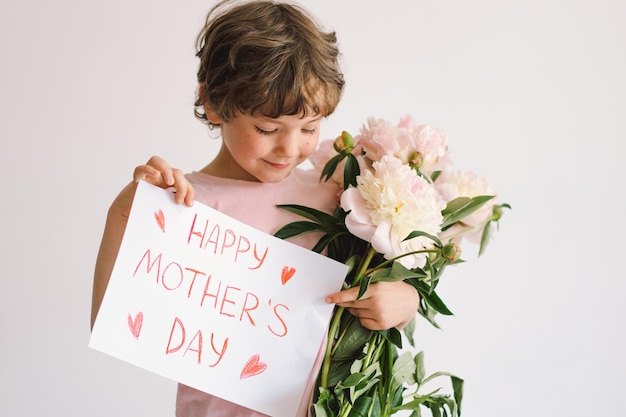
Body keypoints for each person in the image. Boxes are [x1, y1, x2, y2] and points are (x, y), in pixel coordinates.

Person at [90, 1, 421, 416]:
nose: (289, 148)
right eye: (267, 128)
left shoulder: (340, 197)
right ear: (213, 104)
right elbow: (116, 322)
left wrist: (406, 300)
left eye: (309, 128)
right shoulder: (184, 205)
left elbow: (372, 302)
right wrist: (124, 215)